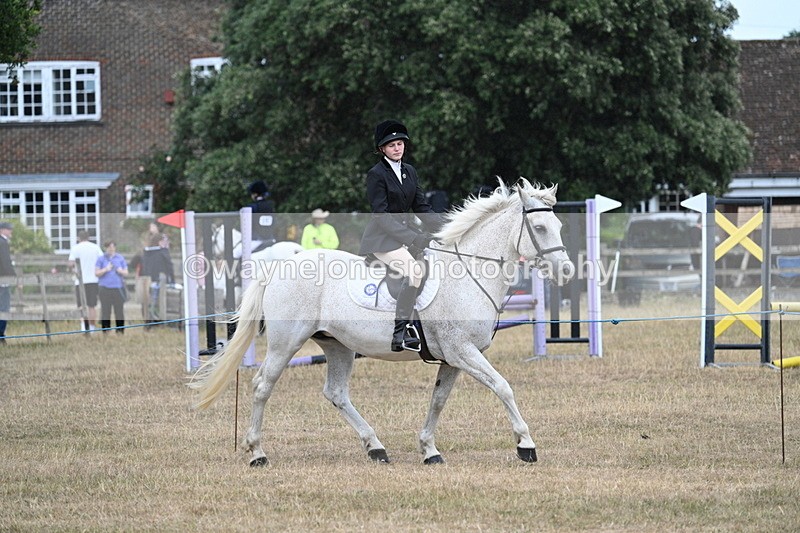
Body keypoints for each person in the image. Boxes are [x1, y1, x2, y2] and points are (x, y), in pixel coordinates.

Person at [359, 120, 441, 352]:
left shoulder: (409, 171)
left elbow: (422, 207)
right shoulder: (376, 174)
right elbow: (382, 216)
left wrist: (447, 228)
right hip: (382, 238)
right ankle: (400, 333)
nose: (397, 148)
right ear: (382, 149)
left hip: (404, 235)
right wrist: (412, 238)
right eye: (391, 145)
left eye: (400, 143)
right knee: (414, 271)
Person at [68, 231, 103, 332]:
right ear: (89, 237)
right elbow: (101, 260)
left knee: (81, 306)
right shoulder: (95, 247)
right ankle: (91, 328)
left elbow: (71, 264)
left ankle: (84, 327)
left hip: (80, 281)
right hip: (93, 280)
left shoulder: (76, 248)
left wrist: (74, 270)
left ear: (79, 238)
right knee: (92, 305)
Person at [95, 241, 129, 334]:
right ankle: (106, 330)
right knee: (106, 310)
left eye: (113, 247)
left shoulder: (120, 258)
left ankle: (120, 330)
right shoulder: (101, 259)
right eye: (109, 247)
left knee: (119, 311)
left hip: (118, 288)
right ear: (106, 248)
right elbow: (96, 273)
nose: (111, 249)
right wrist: (106, 269)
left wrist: (120, 271)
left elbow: (126, 272)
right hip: (105, 288)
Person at [140, 232, 174, 321]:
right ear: (159, 242)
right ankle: (159, 320)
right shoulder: (163, 252)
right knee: (159, 302)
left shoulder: (147, 252)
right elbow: (169, 266)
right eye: (164, 241)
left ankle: (149, 320)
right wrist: (172, 280)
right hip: (160, 280)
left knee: (150, 302)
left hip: (149, 280)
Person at [245, 180, 276, 254]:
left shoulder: (251, 207)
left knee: (236, 254)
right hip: (271, 239)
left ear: (255, 194)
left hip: (256, 241)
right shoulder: (271, 206)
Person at [0, 221, 16, 344]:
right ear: (2, 230)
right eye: (8, 229)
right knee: (4, 307)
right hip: (3, 279)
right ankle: (1, 334)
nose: (11, 231)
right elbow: (6, 261)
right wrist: (14, 277)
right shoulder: (3, 242)